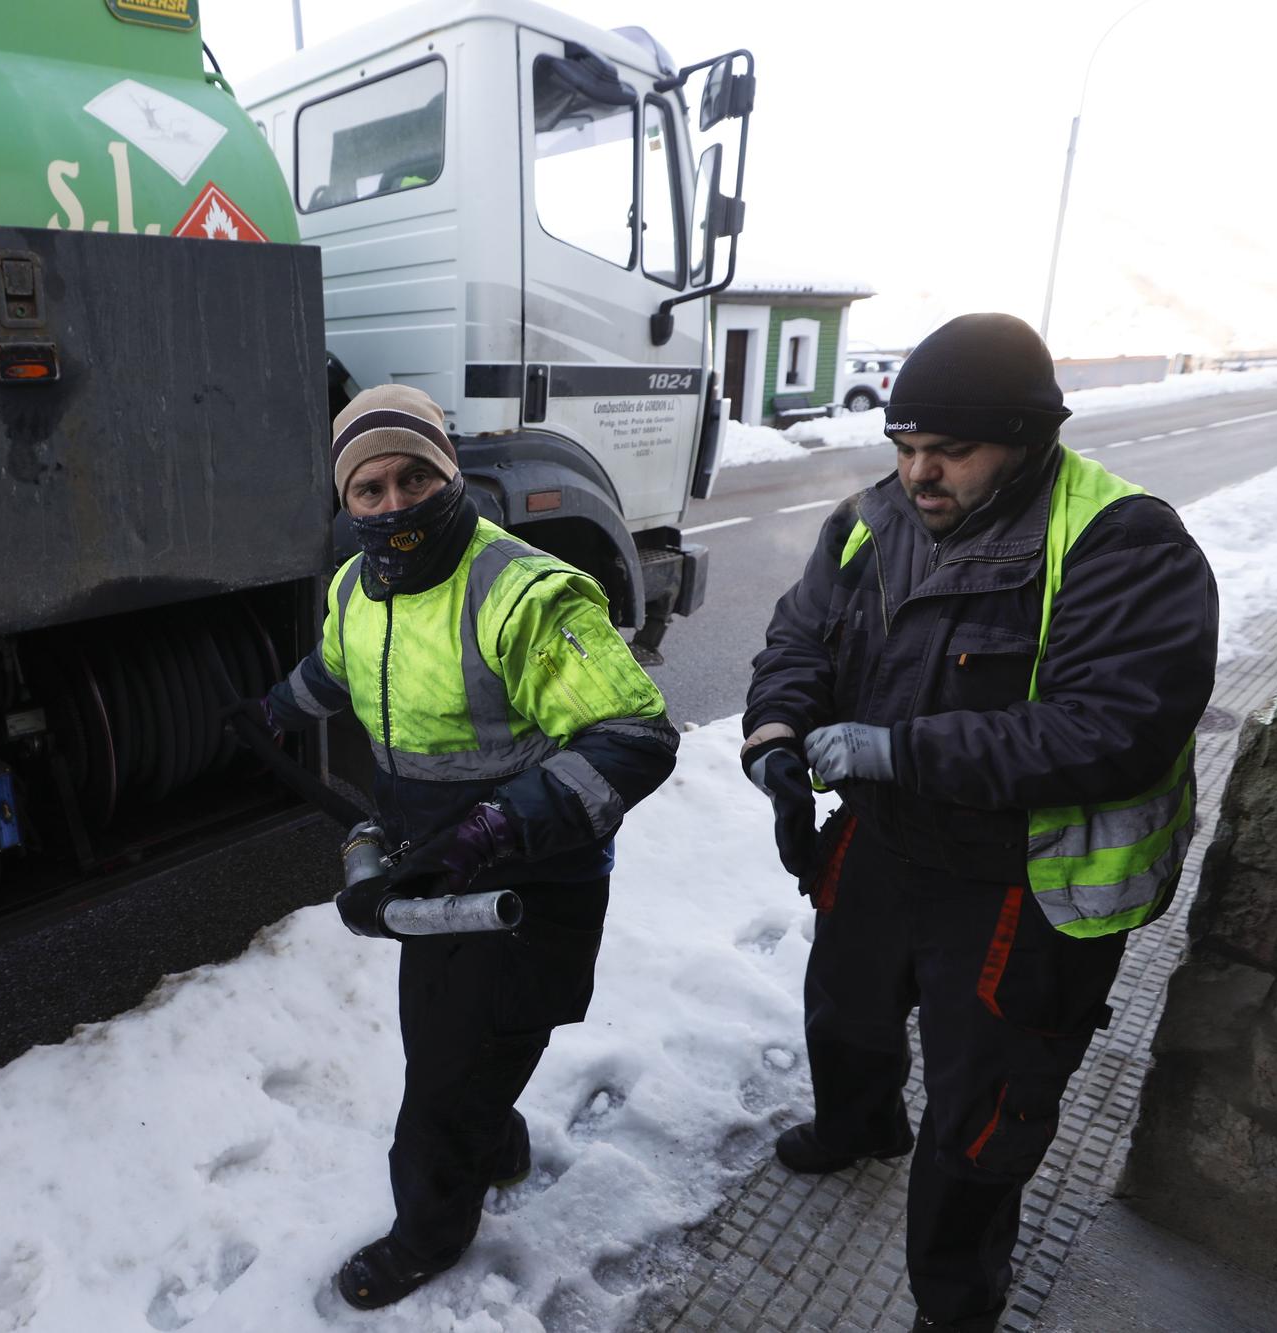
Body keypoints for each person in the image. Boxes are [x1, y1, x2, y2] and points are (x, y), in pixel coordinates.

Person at [740, 314, 1217, 1332]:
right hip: (883, 841)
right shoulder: (873, 519)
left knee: (979, 1116)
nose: (920, 474)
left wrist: (897, 750)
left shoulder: (1120, 539)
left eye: (948, 452)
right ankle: (858, 1123)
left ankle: (954, 1303)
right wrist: (776, 738)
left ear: (1027, 437)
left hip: (1017, 876)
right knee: (844, 1009)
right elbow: (800, 634)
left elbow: (1110, 729)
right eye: (906, 448)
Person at [250, 383, 678, 1310]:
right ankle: (494, 1138)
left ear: (452, 473)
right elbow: (342, 661)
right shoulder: (357, 584)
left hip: (526, 884)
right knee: (459, 1041)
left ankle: (427, 1235)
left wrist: (490, 829)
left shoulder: (522, 591)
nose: (394, 502)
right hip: (440, 875)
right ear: (347, 502)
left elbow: (634, 738)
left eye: (416, 475)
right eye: (370, 489)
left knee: (444, 1082)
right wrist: (283, 707)